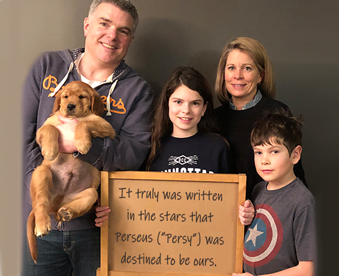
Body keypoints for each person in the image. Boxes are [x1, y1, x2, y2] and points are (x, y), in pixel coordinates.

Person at [22, 1, 153, 275]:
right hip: (40, 218)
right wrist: (42, 192)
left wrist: (81, 147)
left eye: (123, 30)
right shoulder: (46, 66)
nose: (112, 35)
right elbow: (16, 135)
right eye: (104, 23)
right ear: (87, 25)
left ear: (130, 38)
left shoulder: (137, 89)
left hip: (96, 226)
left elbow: (134, 153)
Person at [96, 66, 255, 227]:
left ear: (204, 108)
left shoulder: (217, 147)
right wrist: (110, 209)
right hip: (158, 240)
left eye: (195, 103)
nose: (186, 110)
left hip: (206, 240)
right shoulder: (151, 147)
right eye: (178, 102)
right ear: (167, 104)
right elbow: (133, 200)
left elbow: (234, 200)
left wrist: (244, 213)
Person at [214, 37, 306, 201]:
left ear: (260, 76)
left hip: (269, 213)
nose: (237, 75)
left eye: (247, 68)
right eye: (231, 68)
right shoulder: (213, 119)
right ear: (223, 74)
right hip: (223, 213)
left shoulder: (277, 112)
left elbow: (295, 175)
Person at [232, 110, 316, 276]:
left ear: (295, 154)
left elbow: (308, 269)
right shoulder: (257, 190)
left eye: (274, 151)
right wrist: (246, 218)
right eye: (258, 152)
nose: (264, 160)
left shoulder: (302, 201)